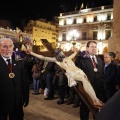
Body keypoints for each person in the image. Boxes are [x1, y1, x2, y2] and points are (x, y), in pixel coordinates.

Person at [24, 43, 103, 107]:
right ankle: (95, 100)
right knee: (84, 80)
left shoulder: (68, 57)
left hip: (79, 71)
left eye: (61, 51)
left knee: (87, 81)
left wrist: (77, 48)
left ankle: (95, 100)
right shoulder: (56, 60)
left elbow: (76, 52)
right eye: (58, 52)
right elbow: (43, 57)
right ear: (57, 55)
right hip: (72, 73)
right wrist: (32, 53)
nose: (61, 53)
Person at [75, 41, 106, 120]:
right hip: (86, 89)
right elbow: (76, 74)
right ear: (87, 48)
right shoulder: (81, 59)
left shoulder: (100, 60)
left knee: (96, 109)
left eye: (95, 46)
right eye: (92, 47)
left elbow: (102, 75)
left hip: (98, 89)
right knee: (85, 108)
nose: (94, 48)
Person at [0, 38, 29, 120]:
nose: (8, 49)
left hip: (17, 103)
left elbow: (24, 81)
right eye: (4, 46)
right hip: (1, 103)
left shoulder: (19, 62)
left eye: (10, 46)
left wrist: (26, 97)